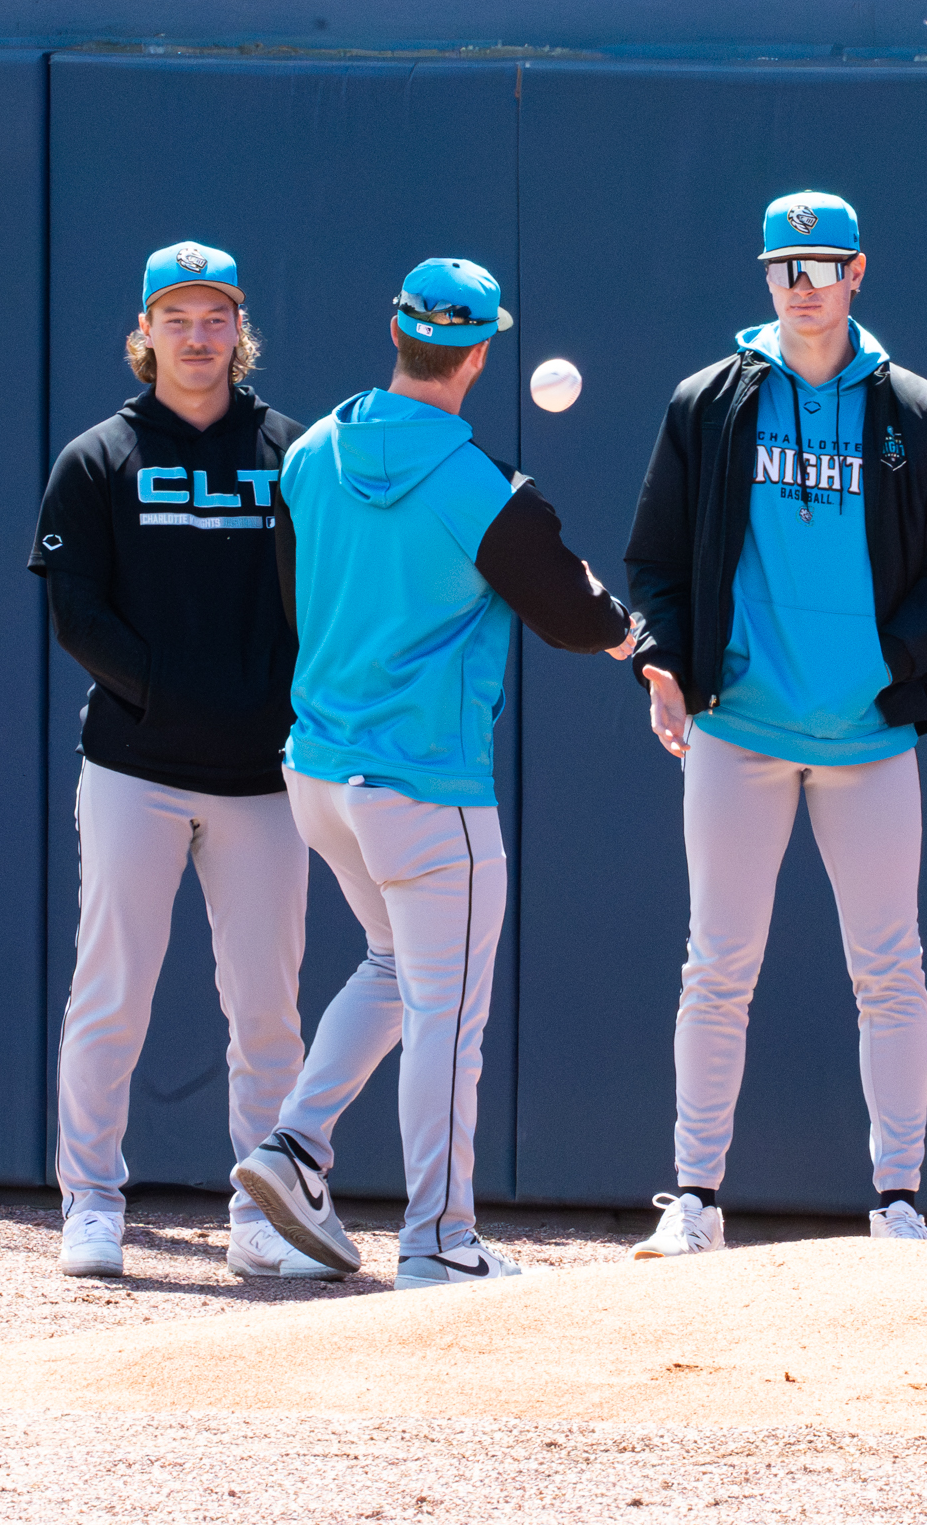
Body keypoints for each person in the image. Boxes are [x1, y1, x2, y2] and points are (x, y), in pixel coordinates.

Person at [233, 258, 633, 1290]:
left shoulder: (311, 452)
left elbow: (291, 600)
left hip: (317, 772)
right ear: (483, 349)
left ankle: (294, 1147)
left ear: (397, 329)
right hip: (422, 788)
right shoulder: (477, 484)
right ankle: (438, 1239)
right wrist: (637, 635)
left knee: (391, 969)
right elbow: (577, 617)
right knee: (446, 1016)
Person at [622, 191, 927, 1256]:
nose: (804, 284)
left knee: (889, 966)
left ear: (858, 271)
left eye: (824, 265)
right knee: (715, 965)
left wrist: (885, 663)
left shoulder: (918, 412)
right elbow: (654, 558)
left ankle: (899, 1201)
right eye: (785, 265)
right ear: (764, 276)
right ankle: (692, 1197)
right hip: (739, 728)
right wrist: (665, 667)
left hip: (869, 737)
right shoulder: (709, 401)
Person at [31, 241, 333, 1282]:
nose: (198, 337)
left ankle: (265, 1213)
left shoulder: (292, 453)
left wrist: (270, 704)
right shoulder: (96, 459)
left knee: (265, 1006)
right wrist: (171, 695)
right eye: (178, 317)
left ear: (239, 329)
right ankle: (91, 1204)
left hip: (263, 778)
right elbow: (78, 614)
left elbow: (326, 604)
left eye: (216, 319)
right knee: (110, 992)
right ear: (145, 331)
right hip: (135, 767)